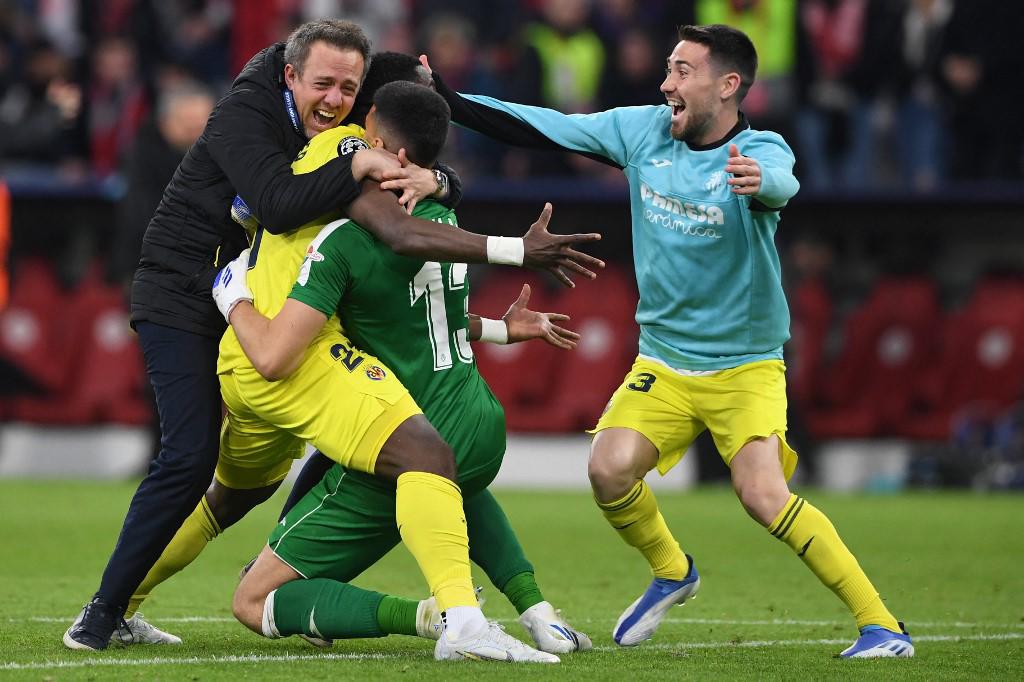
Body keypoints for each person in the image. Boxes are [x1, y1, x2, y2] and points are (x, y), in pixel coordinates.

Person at [64, 19, 601, 652]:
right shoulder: (314, 141)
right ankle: (461, 621)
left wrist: (442, 185)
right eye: (324, 83)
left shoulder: (361, 143)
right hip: (231, 320)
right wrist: (513, 247)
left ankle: (114, 609)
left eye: (349, 87)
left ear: (367, 95)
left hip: (265, 328)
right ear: (291, 75)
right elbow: (302, 241)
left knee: (233, 495)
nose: (335, 97)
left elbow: (397, 301)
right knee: (415, 454)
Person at [423, 23, 914, 659]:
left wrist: (758, 185)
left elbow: (782, 181)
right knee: (607, 468)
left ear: (727, 85)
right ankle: (672, 570)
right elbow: (545, 125)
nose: (666, 84)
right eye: (668, 69)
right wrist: (449, 101)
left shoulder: (760, 147)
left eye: (683, 71)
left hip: (745, 366)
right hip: (665, 361)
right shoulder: (643, 130)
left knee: (763, 497)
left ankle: (882, 627)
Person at [220, 80, 592, 661]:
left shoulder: (344, 240)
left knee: (254, 597)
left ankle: (436, 617)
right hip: (477, 419)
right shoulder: (445, 218)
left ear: (378, 140)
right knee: (457, 486)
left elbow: (276, 353)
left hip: (406, 435)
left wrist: (235, 298)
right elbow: (417, 318)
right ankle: (540, 614)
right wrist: (498, 328)